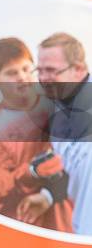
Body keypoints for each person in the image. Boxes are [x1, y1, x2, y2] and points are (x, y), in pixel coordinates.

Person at [0, 38, 72, 231]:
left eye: (26, 69)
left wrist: (48, 194)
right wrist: (32, 171)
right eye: (12, 72)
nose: (22, 77)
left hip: (64, 226)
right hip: (18, 226)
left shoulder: (60, 108)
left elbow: (77, 164)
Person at [38, 32, 92, 235]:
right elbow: (68, 167)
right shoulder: (57, 105)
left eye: (51, 70)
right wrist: (48, 195)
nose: (43, 78)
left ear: (78, 69)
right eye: (40, 70)